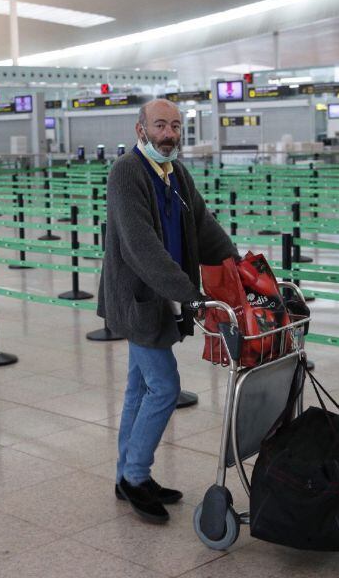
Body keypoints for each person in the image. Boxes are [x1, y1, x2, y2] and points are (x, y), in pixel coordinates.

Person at [97, 99, 239, 523]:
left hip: (164, 298)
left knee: (139, 388)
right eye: (160, 125)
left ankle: (127, 473)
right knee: (163, 386)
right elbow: (140, 247)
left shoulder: (176, 172)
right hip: (139, 300)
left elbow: (202, 224)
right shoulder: (127, 172)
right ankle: (137, 478)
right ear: (140, 129)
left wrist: (239, 266)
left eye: (175, 126)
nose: (169, 134)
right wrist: (190, 296)